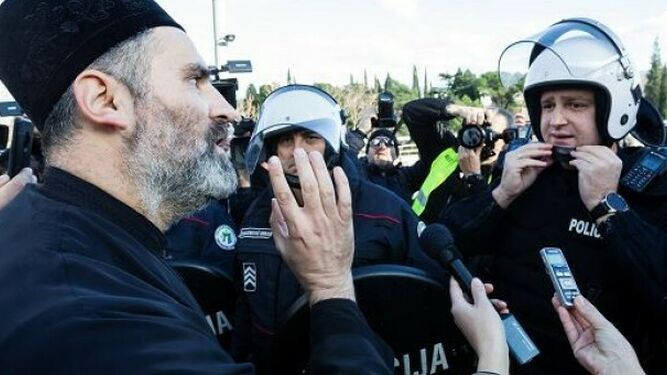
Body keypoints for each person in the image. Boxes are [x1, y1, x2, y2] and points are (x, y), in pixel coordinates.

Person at [0, 1, 391, 373]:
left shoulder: (57, 237)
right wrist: (330, 286)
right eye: (195, 80)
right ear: (106, 100)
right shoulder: (100, 327)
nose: (228, 110)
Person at [442, 18, 667, 374]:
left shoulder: (651, 183)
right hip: (507, 360)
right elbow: (445, 243)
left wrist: (609, 207)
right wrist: (499, 195)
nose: (556, 120)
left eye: (575, 105)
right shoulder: (522, 169)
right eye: (547, 106)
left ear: (614, 107)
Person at [234, 84, 443, 371]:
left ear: (331, 145)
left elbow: (427, 293)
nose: (298, 152)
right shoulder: (257, 215)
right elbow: (246, 306)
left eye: (310, 138)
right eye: (285, 140)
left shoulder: (386, 211)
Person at [358, 99, 486, 206]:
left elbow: (411, 111)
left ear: (397, 154)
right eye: (375, 142)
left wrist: (458, 110)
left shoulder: (407, 176)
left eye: (388, 142)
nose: (381, 145)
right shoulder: (356, 173)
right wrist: (360, 132)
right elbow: (342, 159)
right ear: (366, 151)